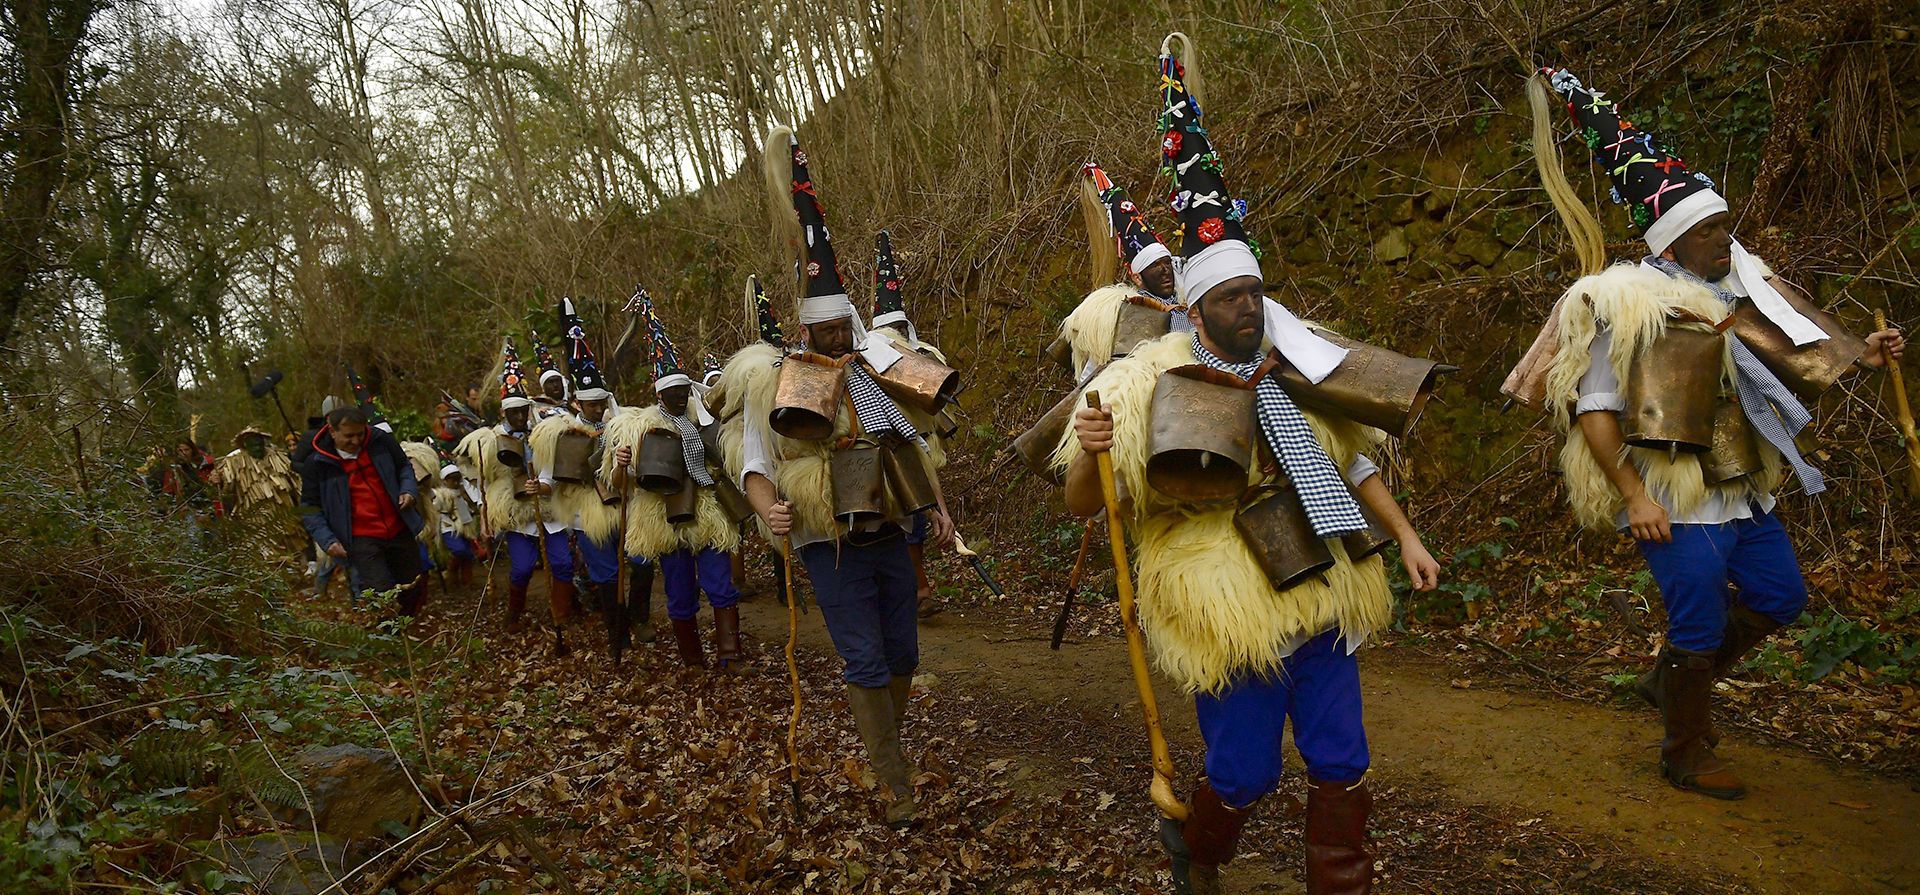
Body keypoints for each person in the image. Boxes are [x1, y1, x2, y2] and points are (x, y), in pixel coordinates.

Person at [1056, 37, 1445, 894]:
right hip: (1224, 601)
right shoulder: (1141, 381)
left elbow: (1353, 462)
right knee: (1243, 773)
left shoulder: (1296, 360)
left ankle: (1342, 882)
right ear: (1194, 304)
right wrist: (1089, 454)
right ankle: (1201, 852)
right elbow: (1093, 501)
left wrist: (1405, 538)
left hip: (1320, 576)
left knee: (1342, 756)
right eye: (1231, 297)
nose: (1249, 308)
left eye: (1255, 293)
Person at [1513, 67, 1905, 801]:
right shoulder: (1625, 302)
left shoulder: (1741, 284)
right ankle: (1685, 747)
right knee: (1696, 620)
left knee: (1781, 595)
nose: (1726, 238)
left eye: (1725, 226)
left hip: (1740, 483)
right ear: (1675, 239)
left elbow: (1799, 346)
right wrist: (1635, 495)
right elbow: (1594, 408)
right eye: (1710, 230)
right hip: (1673, 494)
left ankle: (1670, 683)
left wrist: (1866, 353)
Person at [741, 128, 955, 826]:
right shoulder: (778, 382)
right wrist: (771, 507)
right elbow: (755, 459)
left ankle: (884, 745)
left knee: (902, 652)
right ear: (805, 331)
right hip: (824, 542)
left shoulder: (878, 370)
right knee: (863, 656)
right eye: (823, 332)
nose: (835, 340)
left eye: (842, 329)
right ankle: (895, 782)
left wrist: (942, 510)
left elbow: (914, 441)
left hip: (890, 526)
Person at [606, 290, 742, 668]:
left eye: (685, 391)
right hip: (664, 517)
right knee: (681, 592)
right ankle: (692, 659)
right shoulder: (640, 426)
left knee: (720, 584)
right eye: (674, 392)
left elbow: (723, 456)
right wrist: (621, 464)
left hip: (707, 511)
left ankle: (730, 655)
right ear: (661, 393)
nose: (681, 397)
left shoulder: (702, 419)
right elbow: (622, 481)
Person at [867, 229, 957, 616]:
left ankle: (915, 589)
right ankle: (912, 590)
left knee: (919, 521)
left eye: (903, 330)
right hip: (887, 447)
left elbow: (938, 400)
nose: (899, 337)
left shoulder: (923, 355)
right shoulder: (869, 364)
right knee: (901, 522)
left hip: (921, 444)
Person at [532, 299, 629, 657]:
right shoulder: (563, 433)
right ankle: (616, 636)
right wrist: (537, 488)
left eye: (601, 403)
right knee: (605, 573)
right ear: (579, 404)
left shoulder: (619, 427)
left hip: (624, 504)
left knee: (639, 562)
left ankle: (631, 623)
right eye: (591, 405)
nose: (598, 409)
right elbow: (549, 479)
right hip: (588, 513)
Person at [459, 339, 574, 632]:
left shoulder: (542, 433)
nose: (521, 417)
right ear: (504, 413)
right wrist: (485, 513)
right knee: (522, 569)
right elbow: (477, 480)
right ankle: (515, 610)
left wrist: (545, 486)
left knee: (562, 564)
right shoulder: (488, 440)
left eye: (524, 411)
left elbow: (553, 467)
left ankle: (562, 615)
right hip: (518, 516)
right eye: (515, 413)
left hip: (549, 511)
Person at [1051, 161, 1190, 380]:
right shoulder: (1128, 312)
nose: (1165, 271)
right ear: (1137, 276)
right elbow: (1101, 371)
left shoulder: (1189, 302)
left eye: (1166, 263)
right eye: (1155, 266)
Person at [299, 406, 428, 617]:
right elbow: (309, 507)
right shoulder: (317, 464)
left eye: (360, 434)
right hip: (360, 538)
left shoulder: (381, 442)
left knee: (413, 584)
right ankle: (388, 638)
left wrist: (408, 490)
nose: (356, 441)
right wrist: (327, 540)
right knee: (381, 590)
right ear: (332, 431)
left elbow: (404, 466)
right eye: (348, 436)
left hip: (398, 527)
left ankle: (408, 628)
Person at [213, 427, 299, 517]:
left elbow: (295, 479)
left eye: (259, 445)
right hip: (256, 517)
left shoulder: (277, 457)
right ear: (245, 445)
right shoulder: (234, 462)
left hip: (285, 512)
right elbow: (227, 487)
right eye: (254, 446)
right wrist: (219, 481)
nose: (258, 448)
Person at [434, 465, 483, 586]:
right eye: (451, 479)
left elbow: (473, 503)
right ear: (445, 480)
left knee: (468, 555)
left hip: (466, 526)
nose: (455, 481)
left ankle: (467, 581)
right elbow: (434, 510)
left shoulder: (465, 491)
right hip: (449, 527)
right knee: (460, 550)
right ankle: (452, 571)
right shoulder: (440, 495)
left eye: (457, 478)